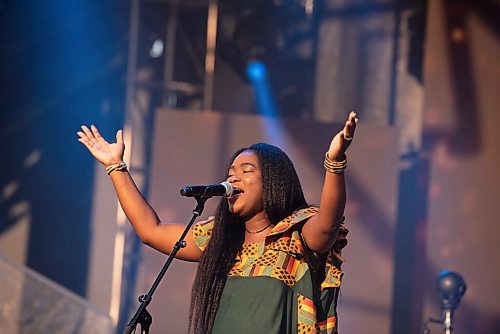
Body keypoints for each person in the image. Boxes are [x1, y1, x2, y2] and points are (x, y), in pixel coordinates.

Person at [77, 111, 358, 334]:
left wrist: (335, 162)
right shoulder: (220, 239)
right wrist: (116, 167)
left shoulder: (297, 232)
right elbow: (151, 231)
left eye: (245, 171)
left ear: (274, 182)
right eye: (230, 172)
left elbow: (327, 227)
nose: (233, 178)